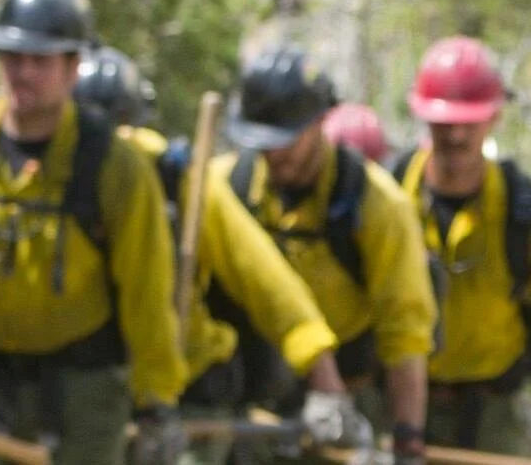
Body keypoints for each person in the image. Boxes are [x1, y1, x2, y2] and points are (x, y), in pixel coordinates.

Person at [0, 0, 187, 465]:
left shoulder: (116, 168)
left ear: (73, 66)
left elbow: (147, 294)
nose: (23, 74)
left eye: (40, 61)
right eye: (12, 58)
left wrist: (157, 404)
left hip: (83, 392)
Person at [75, 51, 375, 465]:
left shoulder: (179, 179)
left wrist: (326, 385)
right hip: (81, 388)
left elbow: (268, 284)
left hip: (187, 393)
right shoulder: (46, 180)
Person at [218, 47, 435, 465]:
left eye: (285, 140)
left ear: (320, 122)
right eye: (261, 142)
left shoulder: (377, 205)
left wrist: (408, 439)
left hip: (350, 397)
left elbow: (404, 331)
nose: (273, 155)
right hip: (255, 395)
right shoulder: (230, 186)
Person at [405, 38, 531, 455]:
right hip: (400, 403)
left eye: (470, 121)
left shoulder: (520, 208)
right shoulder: (386, 199)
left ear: (494, 117)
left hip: (493, 414)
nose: (456, 135)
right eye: (444, 122)